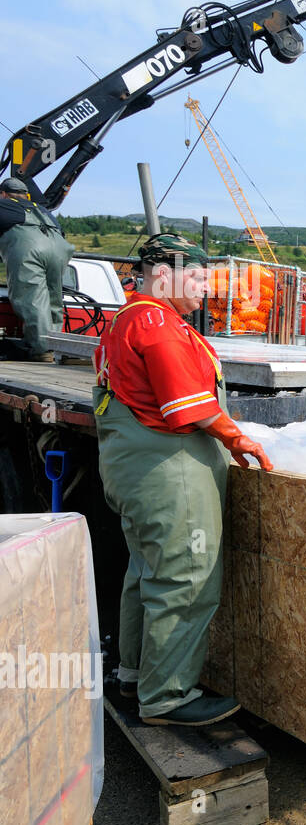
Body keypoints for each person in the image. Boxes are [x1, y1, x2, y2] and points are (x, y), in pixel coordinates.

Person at [93, 233, 273, 727]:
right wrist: (238, 439)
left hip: (132, 465)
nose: (205, 288)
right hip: (167, 470)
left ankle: (133, 675)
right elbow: (185, 404)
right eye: (195, 276)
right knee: (186, 575)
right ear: (163, 275)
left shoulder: (125, 318)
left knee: (147, 572)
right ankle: (167, 696)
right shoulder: (156, 322)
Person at [0, 177, 75, 362]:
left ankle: (42, 351)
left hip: (30, 248)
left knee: (32, 299)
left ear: (3, 194)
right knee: (53, 299)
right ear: (25, 195)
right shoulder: (41, 209)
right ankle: (55, 346)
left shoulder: (3, 205)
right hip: (60, 248)